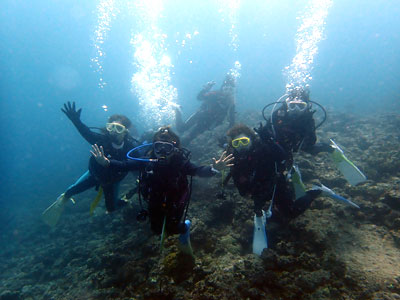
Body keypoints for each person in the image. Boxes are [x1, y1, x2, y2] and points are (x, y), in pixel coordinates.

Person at [91, 126, 233, 254]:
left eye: (167, 148)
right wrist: (107, 162)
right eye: (159, 147)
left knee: (173, 228)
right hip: (154, 199)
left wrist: (214, 169)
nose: (162, 152)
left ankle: (185, 228)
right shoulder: (147, 160)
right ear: (153, 147)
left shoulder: (180, 161)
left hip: (176, 200)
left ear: (175, 148)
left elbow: (197, 170)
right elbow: (125, 165)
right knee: (156, 230)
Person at [222, 124, 327, 255]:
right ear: (232, 145)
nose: (241, 146)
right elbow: (239, 184)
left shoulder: (263, 148)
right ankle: (271, 204)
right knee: (261, 205)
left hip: (276, 184)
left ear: (251, 139)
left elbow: (282, 156)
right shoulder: (234, 158)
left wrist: (270, 142)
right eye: (237, 143)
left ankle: (316, 190)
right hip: (258, 188)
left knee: (291, 213)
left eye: (244, 141)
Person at [42, 102, 139, 227]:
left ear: (125, 132)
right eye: (111, 127)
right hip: (95, 175)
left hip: (112, 181)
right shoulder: (102, 140)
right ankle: (63, 199)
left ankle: (124, 199)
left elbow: (136, 164)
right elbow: (86, 132)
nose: (114, 132)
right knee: (69, 193)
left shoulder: (130, 148)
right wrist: (75, 120)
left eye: (119, 128)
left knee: (111, 208)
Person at [257, 86, 366, 186]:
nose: (296, 109)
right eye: (292, 105)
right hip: (279, 145)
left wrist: (303, 138)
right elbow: (267, 131)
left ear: (306, 106)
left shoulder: (307, 118)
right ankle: (290, 173)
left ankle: (331, 149)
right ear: (287, 105)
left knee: (311, 150)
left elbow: (312, 140)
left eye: (300, 106)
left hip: (299, 144)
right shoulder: (278, 114)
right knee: (275, 158)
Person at [175, 73, 236, 145]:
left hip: (207, 124)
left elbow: (232, 122)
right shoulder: (215, 94)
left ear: (233, 91)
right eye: (226, 89)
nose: (227, 92)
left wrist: (227, 136)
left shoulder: (231, 104)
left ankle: (176, 149)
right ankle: (177, 110)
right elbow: (199, 97)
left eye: (230, 90)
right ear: (222, 89)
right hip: (200, 115)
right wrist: (206, 89)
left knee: (188, 139)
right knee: (181, 129)